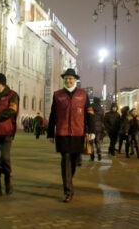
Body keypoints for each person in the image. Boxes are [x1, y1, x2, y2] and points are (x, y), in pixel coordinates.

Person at [47, 68, 94, 203]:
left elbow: (89, 113)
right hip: (62, 133)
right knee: (65, 160)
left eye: (71, 78)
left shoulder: (83, 94)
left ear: (75, 80)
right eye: (66, 78)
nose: (68, 80)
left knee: (73, 161)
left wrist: (91, 130)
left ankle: (69, 180)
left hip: (78, 133)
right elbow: (53, 115)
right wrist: (51, 133)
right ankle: (67, 190)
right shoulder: (57, 95)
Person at [89, 97, 105, 161]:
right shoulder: (101, 109)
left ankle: (92, 156)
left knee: (91, 143)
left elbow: (88, 117)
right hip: (98, 128)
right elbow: (102, 119)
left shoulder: (90, 108)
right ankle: (99, 154)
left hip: (91, 127)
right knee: (97, 141)